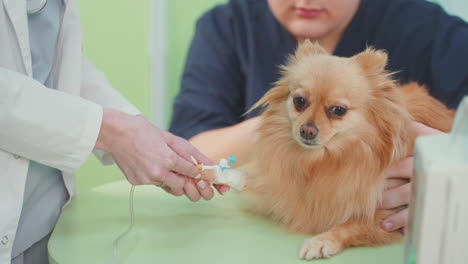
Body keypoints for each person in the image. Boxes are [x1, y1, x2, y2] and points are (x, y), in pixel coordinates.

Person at [169, 0, 468, 236]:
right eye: (299, 101)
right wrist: (277, 123)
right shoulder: (228, 26)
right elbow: (188, 153)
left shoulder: (431, 31)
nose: (305, 0)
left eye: (337, 110)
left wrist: (453, 174)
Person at [0, 1, 228, 263]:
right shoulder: (222, 25)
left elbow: (60, 66)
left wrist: (137, 130)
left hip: (43, 223)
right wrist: (109, 132)